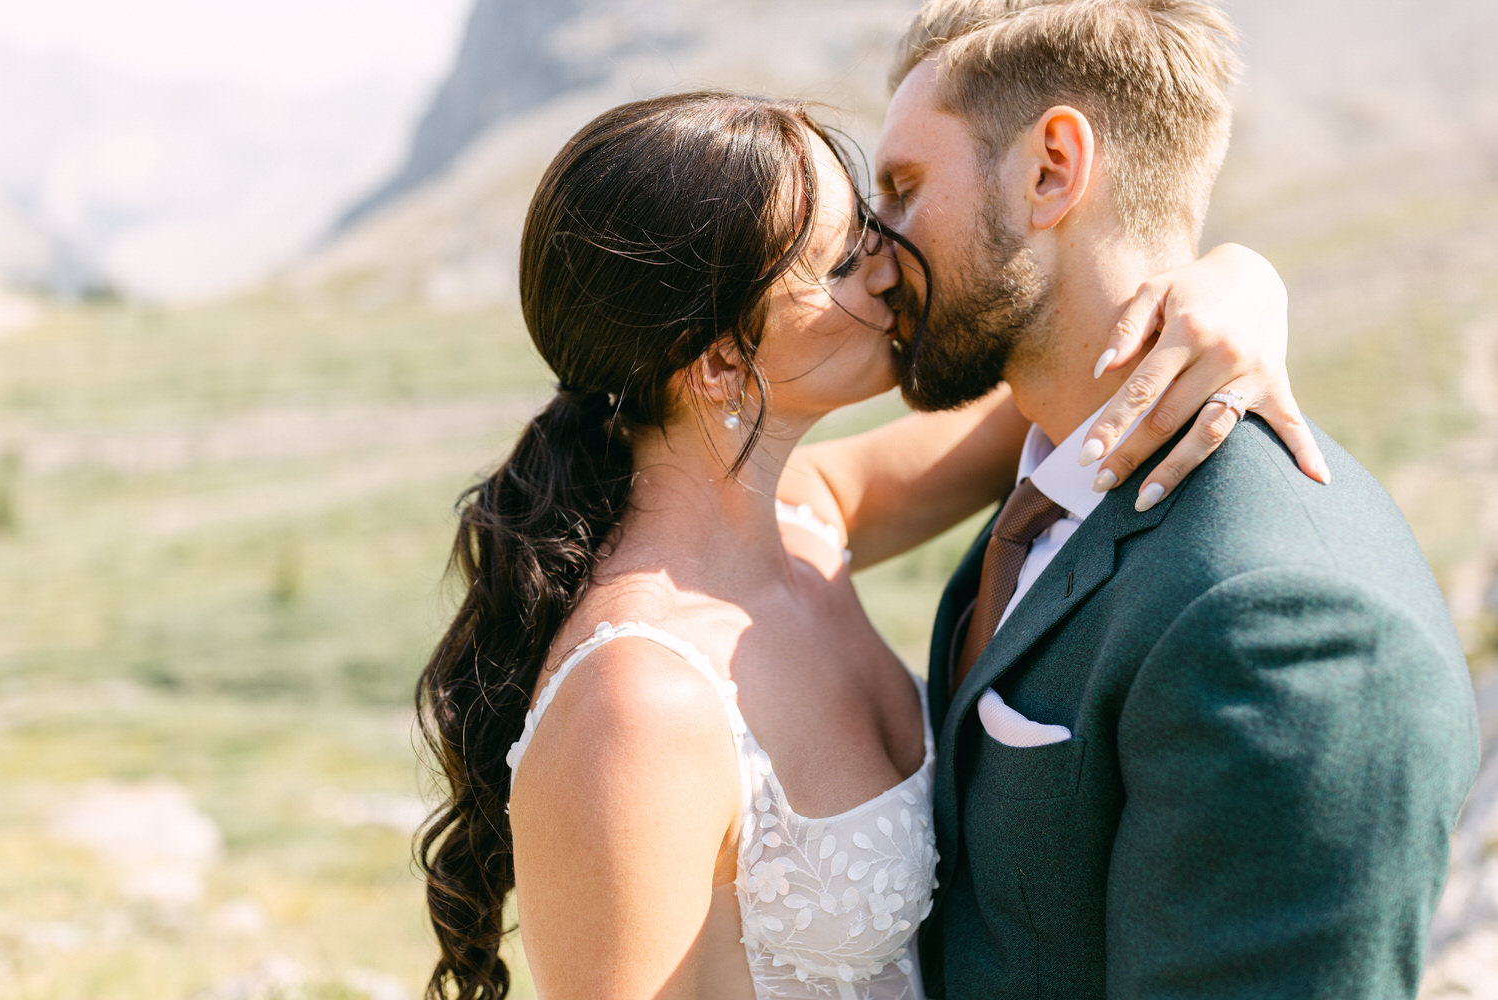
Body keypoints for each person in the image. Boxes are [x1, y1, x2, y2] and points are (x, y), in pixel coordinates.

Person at [414, 90, 1321, 1000]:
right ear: (721, 362)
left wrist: (1240, 283)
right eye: (844, 258)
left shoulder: (808, 515)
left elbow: (1088, 389)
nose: (891, 267)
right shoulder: (634, 707)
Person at [870, 1, 1483, 997]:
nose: (876, 250)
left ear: (1051, 169)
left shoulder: (1287, 620)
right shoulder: (1051, 476)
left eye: (903, 188)